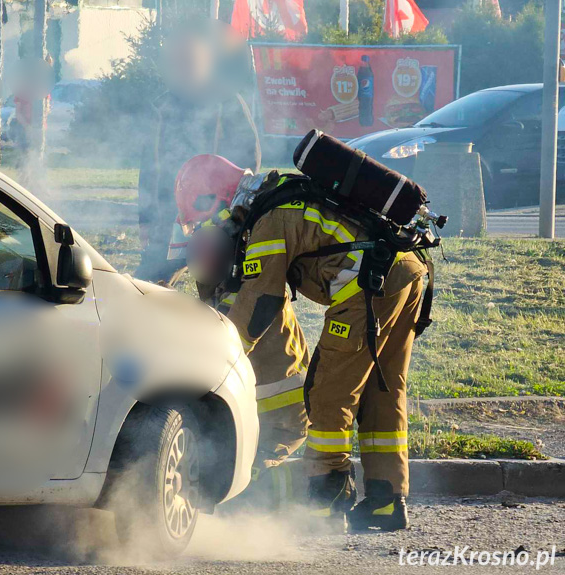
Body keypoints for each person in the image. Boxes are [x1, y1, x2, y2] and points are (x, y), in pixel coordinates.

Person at [175, 154, 431, 531]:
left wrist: (219, 358)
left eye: (208, 219)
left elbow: (260, 302)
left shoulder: (269, 219)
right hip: (406, 272)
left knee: (329, 392)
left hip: (369, 285)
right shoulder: (283, 197)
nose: (211, 229)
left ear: (217, 201)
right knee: (383, 389)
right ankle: (386, 500)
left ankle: (326, 502)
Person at [136, 21, 260, 283]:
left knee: (222, 287)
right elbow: (149, 168)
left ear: (206, 61)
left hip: (218, 214)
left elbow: (250, 158)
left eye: (189, 60)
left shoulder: (228, 102)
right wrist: (145, 219)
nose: (183, 68)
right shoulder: (162, 107)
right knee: (147, 285)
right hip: (169, 215)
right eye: (177, 61)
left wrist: (231, 209)